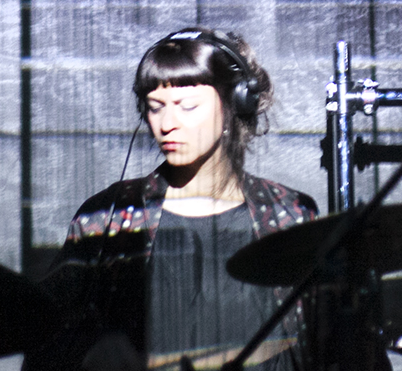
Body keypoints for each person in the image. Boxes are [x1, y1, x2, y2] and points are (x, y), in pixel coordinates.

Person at [27, 29, 318, 371]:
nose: (167, 124)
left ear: (234, 104)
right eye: (155, 108)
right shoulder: (109, 216)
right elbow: (46, 341)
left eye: (187, 106)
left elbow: (324, 344)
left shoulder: (287, 215)